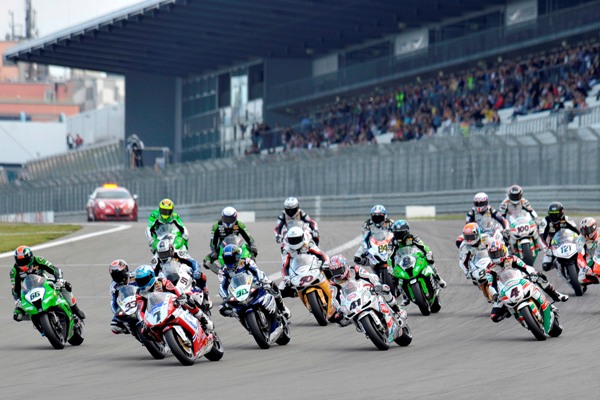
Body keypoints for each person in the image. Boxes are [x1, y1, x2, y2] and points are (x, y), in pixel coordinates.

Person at [486, 239, 568, 323]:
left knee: (539, 277)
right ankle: (513, 312)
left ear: (504, 251)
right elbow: (491, 285)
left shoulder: (512, 258)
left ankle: (556, 295)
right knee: (494, 317)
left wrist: (532, 273)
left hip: (520, 279)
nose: (496, 256)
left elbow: (525, 267)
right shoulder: (490, 268)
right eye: (493, 255)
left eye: (498, 253)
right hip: (504, 290)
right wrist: (495, 294)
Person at [11, 246, 86, 321]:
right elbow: (15, 289)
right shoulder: (14, 271)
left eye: (25, 260)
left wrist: (59, 280)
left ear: (30, 258)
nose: (23, 263)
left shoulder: (38, 260)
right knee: (17, 315)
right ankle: (38, 323)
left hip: (45, 283)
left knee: (66, 285)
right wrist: (18, 300)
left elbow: (55, 270)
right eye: (20, 261)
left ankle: (75, 309)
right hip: (29, 291)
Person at [218, 244, 290, 319]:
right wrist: (226, 298)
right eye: (227, 259)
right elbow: (222, 286)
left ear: (237, 257)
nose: (229, 262)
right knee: (223, 309)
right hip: (237, 292)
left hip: (253, 284)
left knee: (271, 285)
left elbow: (257, 272)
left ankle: (282, 308)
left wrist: (264, 281)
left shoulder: (246, 261)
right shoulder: (223, 270)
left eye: (231, 259)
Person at [134, 264, 213, 332]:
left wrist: (180, 297)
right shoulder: (139, 293)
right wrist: (143, 321)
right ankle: (162, 343)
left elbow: (174, 290)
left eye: (143, 280)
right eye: (139, 281)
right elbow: (140, 309)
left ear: (151, 276)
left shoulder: (161, 281)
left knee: (187, 299)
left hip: (170, 303)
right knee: (145, 331)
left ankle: (203, 319)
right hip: (155, 311)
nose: (142, 283)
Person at [151, 239, 212, 309]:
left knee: (201, 276)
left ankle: (206, 296)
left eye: (166, 253)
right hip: (166, 277)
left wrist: (196, 271)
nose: (164, 256)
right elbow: (152, 273)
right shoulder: (155, 259)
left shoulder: (179, 253)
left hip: (181, 272)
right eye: (161, 254)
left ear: (171, 250)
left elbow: (193, 262)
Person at [389, 220, 447, 289]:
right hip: (400, 260)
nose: (399, 236)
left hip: (414, 256)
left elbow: (423, 245)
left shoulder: (412, 237)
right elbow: (389, 255)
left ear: (407, 231)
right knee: (394, 276)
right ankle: (401, 293)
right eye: (396, 233)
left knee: (430, 259)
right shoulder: (392, 242)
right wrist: (390, 266)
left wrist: (428, 252)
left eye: (401, 233)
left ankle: (438, 278)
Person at [279, 226, 330, 297]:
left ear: (302, 237)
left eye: (296, 239)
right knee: (280, 289)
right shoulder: (286, 249)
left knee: (330, 267)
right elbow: (285, 265)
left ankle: (334, 284)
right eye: (292, 240)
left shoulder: (308, 243)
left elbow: (320, 254)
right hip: (296, 269)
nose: (294, 242)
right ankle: (295, 293)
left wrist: (326, 263)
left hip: (312, 264)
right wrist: (286, 277)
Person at [498, 185, 545, 253]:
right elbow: (501, 216)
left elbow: (531, 211)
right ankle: (508, 248)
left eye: (517, 196)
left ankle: (538, 242)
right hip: (511, 222)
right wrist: (503, 226)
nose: (515, 198)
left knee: (537, 226)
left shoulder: (524, 201)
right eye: (513, 196)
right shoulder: (505, 203)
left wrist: (536, 218)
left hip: (523, 220)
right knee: (503, 234)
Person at [540, 202, 580, 272]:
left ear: (562, 212)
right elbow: (542, 237)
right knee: (546, 266)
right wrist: (546, 248)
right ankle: (558, 265)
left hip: (569, 241)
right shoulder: (545, 221)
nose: (554, 216)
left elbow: (577, 231)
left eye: (556, 214)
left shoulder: (567, 219)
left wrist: (581, 240)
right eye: (552, 214)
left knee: (583, 252)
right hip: (553, 245)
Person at [108, 259, 136, 334]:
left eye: (119, 274)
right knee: (114, 326)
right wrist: (117, 314)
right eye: (114, 275)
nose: (117, 277)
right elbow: (113, 303)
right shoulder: (114, 286)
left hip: (138, 300)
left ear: (125, 271)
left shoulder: (134, 276)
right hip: (126, 306)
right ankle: (128, 328)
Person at [576, 217, 600, 286]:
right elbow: (579, 256)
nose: (585, 234)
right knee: (581, 279)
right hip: (591, 259)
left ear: (594, 227)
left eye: (587, 230)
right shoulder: (580, 239)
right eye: (583, 231)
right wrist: (586, 267)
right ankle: (595, 277)